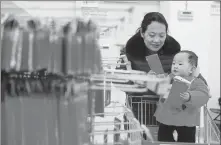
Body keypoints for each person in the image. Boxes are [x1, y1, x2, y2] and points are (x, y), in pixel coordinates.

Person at [124, 12, 181, 128]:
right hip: (139, 112)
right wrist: (141, 80)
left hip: (167, 112)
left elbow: (186, 74)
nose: (157, 40)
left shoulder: (174, 51)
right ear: (142, 33)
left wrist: (170, 79)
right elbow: (119, 82)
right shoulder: (130, 52)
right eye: (152, 35)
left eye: (161, 35)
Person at [154, 50, 210, 143]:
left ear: (192, 69)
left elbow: (204, 95)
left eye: (180, 64)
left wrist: (190, 96)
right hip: (166, 118)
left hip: (186, 120)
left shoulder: (196, 81)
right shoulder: (169, 78)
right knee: (163, 139)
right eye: (173, 63)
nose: (175, 66)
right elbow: (160, 89)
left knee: (186, 141)